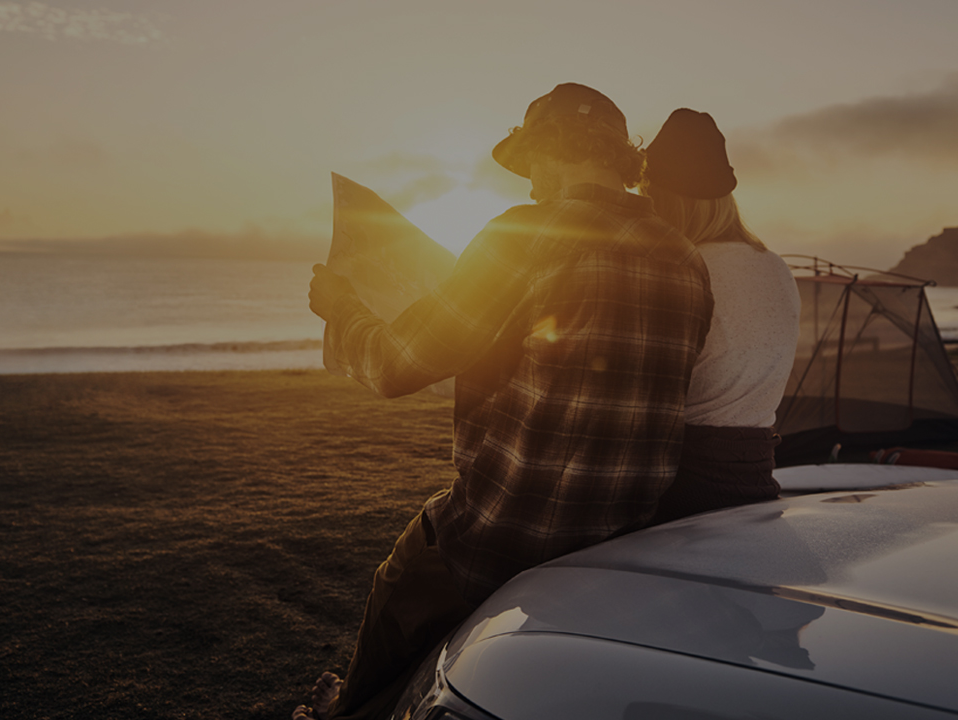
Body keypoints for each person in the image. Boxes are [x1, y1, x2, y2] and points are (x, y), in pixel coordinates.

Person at [296, 83, 714, 720]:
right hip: (619, 542)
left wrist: (343, 308)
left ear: (552, 148)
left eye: (532, 164)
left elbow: (393, 366)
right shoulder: (685, 257)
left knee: (399, 585)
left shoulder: (524, 233)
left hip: (504, 537)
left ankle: (345, 711)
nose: (529, 184)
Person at [640, 109, 801, 525]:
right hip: (758, 475)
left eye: (646, 189)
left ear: (665, 197)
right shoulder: (775, 266)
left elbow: (653, 388)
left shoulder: (686, 270)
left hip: (685, 485)